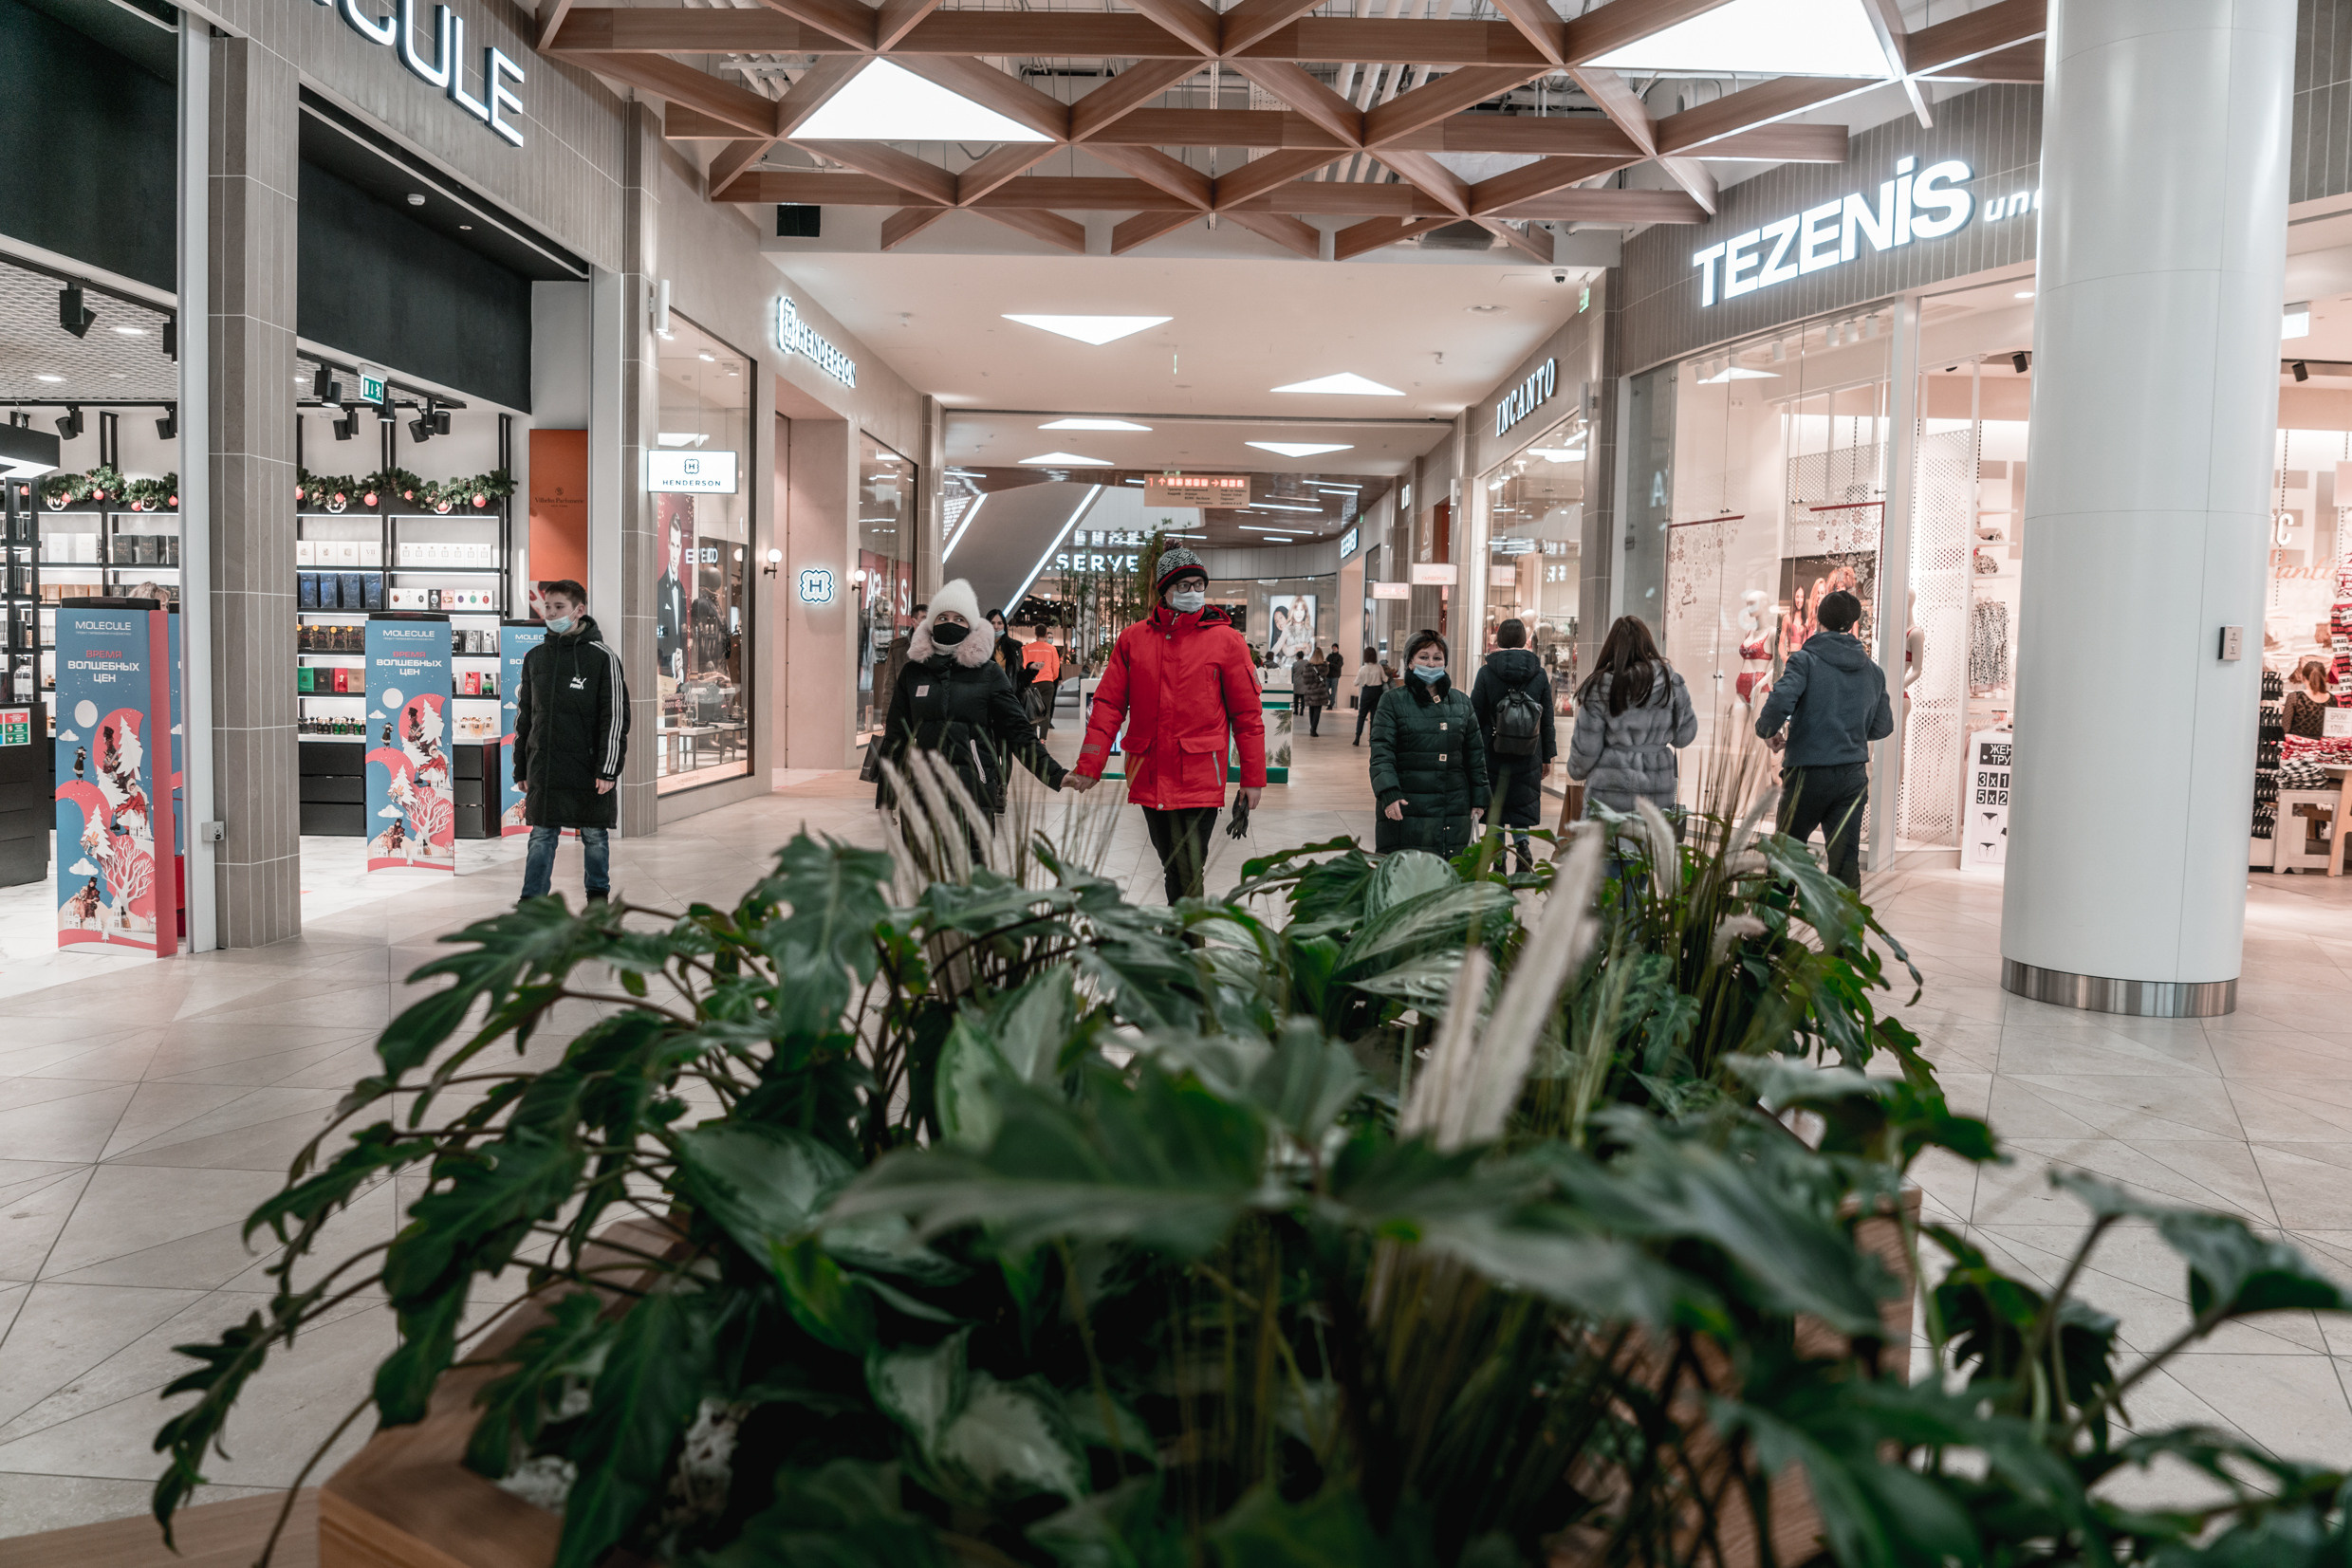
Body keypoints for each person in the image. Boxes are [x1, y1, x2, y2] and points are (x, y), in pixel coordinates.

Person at [1068, 545, 1266, 902]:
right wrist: (1090, 764)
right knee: (1171, 865)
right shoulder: (1133, 640)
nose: (1193, 593)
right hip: (1148, 770)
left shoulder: (1227, 641)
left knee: (1188, 868)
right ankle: (1182, 938)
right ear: (1165, 590)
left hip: (1201, 773)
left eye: (1198, 585)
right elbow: (1109, 705)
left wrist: (1252, 779)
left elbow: (1248, 718)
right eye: (1184, 586)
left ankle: (1186, 944)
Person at [874, 580, 1064, 821]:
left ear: (970, 626)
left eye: (959, 619)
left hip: (974, 790)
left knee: (972, 856)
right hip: (922, 790)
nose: (950, 624)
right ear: (931, 624)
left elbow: (1018, 731)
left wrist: (1055, 774)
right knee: (922, 856)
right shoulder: (914, 672)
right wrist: (886, 799)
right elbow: (895, 739)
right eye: (942, 618)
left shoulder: (989, 673)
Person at [1753, 588, 1892, 891]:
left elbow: (1778, 704)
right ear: (1853, 623)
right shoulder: (1874, 672)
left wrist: (1769, 732)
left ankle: (1772, 935)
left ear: (1818, 620)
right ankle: (1843, 937)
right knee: (1845, 865)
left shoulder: (1804, 661)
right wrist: (1847, 732)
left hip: (1807, 774)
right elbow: (1882, 727)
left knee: (1786, 859)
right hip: (1852, 776)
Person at [514, 580, 628, 905]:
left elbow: (616, 717)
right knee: (541, 836)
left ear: (579, 611)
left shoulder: (602, 657)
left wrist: (608, 769)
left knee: (593, 835)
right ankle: (532, 903)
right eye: (547, 607)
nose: (551, 613)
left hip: (587, 767)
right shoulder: (535, 657)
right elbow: (525, 717)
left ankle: (597, 899)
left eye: (559, 607)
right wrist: (521, 766)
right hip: (545, 767)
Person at [1566, 615, 1695, 821]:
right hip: (1657, 788)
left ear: (1612, 647)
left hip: (1610, 791)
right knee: (1649, 848)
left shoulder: (1600, 687)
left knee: (1609, 848)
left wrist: (1576, 770)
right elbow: (1684, 737)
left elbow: (1585, 752)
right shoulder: (1671, 682)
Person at [1370, 630, 1487, 855]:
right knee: (1406, 877)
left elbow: (1475, 755)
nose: (1431, 664)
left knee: (1446, 878)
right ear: (1410, 662)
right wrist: (1388, 792)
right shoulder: (1392, 701)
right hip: (1406, 806)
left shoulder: (1461, 702)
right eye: (1423, 657)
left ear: (1445, 662)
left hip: (1453, 806)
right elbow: (1381, 751)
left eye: (1437, 657)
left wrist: (1479, 799)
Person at [1472, 618, 1559, 872]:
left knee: (1496, 805)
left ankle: (1499, 861)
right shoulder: (1539, 673)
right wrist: (1548, 756)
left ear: (1497, 640)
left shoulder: (1486, 672)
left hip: (1493, 749)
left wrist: (1472, 751)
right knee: (1521, 802)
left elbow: (1475, 713)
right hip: (1529, 750)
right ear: (1525, 640)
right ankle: (1522, 847)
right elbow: (1547, 718)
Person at [1023, 625, 1063, 735]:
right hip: (1047, 683)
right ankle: (1043, 740)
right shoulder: (1052, 649)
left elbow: (1024, 666)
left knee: (1032, 710)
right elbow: (1056, 668)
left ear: (1035, 634)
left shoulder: (1027, 648)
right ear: (1046, 634)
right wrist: (1051, 678)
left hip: (1032, 683)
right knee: (1046, 712)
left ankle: (1033, 737)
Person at [2286, 658, 2333, 739]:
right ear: (2324, 677)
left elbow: (2285, 728)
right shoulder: (2332, 699)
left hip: (2297, 747)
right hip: (2321, 748)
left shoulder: (2294, 697)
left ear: (2303, 677)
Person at [1352, 644, 1388, 746]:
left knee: (1362, 716)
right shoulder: (1379, 667)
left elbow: (1355, 683)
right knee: (1374, 717)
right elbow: (1385, 679)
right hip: (1377, 692)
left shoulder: (1363, 669)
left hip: (1367, 691)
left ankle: (1357, 738)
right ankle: (1372, 739)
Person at [1292, 644, 1330, 736]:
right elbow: (1326, 675)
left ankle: (1312, 728)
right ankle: (1313, 728)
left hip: (1310, 691)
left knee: (1311, 710)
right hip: (1320, 691)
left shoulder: (1308, 666)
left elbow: (1305, 680)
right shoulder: (1324, 666)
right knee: (1317, 710)